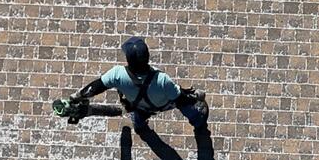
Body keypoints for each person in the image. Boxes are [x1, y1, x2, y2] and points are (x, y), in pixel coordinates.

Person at [57, 37, 208, 130]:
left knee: (138, 115)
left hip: (136, 105)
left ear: (128, 60)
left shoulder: (117, 74)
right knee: (186, 107)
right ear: (148, 57)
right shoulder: (162, 80)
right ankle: (197, 120)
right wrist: (195, 97)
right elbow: (180, 99)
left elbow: (94, 87)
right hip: (162, 106)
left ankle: (140, 126)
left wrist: (76, 97)